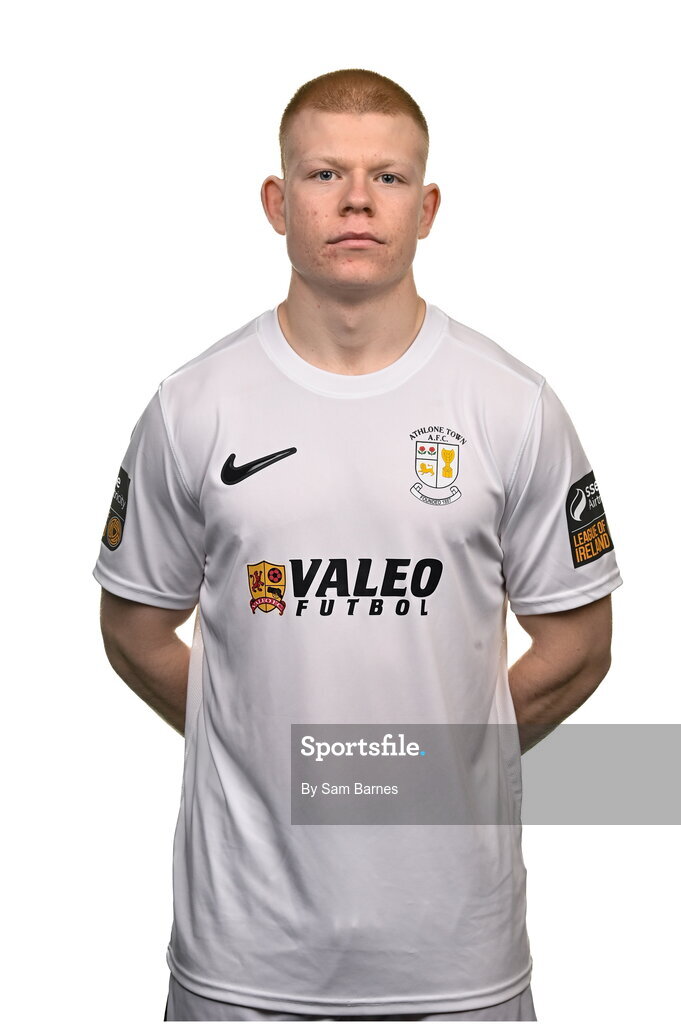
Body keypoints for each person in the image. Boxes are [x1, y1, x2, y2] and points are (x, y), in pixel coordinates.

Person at [94, 68, 622, 1022]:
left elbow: (578, 645)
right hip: (243, 964)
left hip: (456, 964)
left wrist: (426, 768)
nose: (353, 201)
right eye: (323, 174)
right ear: (276, 201)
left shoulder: (513, 406)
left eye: (385, 179)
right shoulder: (192, 406)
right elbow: (134, 627)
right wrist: (255, 741)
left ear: (425, 209)